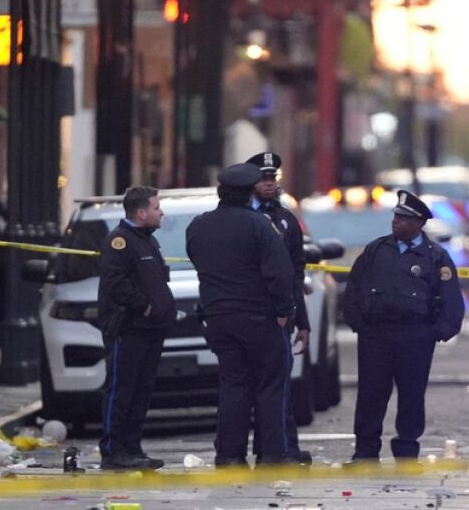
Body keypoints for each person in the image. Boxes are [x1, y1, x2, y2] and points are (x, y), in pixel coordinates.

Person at [186, 163, 296, 466]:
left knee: (234, 386)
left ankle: (229, 456)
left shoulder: (199, 226)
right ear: (249, 193)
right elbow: (280, 272)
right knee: (270, 386)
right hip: (259, 317)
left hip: (218, 317)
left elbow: (198, 260)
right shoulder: (259, 225)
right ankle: (272, 454)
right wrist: (284, 310)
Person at [343, 190, 465, 463]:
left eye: (403, 218)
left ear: (419, 223)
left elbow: (451, 298)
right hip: (376, 335)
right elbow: (354, 287)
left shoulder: (435, 256)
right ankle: (365, 452)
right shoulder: (376, 250)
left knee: (411, 396)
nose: (396, 221)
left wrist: (436, 333)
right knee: (371, 394)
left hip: (415, 337)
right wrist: (358, 324)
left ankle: (407, 453)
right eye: (396, 216)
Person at [96, 186, 176, 470]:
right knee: (121, 390)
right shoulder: (119, 241)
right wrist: (144, 306)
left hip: (151, 329)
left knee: (141, 391)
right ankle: (113, 450)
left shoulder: (147, 240)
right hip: (129, 329)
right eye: (156, 207)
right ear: (141, 213)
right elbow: (116, 284)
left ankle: (132, 448)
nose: (161, 212)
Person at [246, 151, 311, 465]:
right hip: (249, 313)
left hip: (280, 316)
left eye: (272, 178)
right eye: (263, 179)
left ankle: (284, 448)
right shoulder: (242, 216)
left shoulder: (286, 219)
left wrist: (303, 321)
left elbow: (296, 274)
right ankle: (269, 450)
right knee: (253, 387)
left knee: (280, 386)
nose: (269, 184)